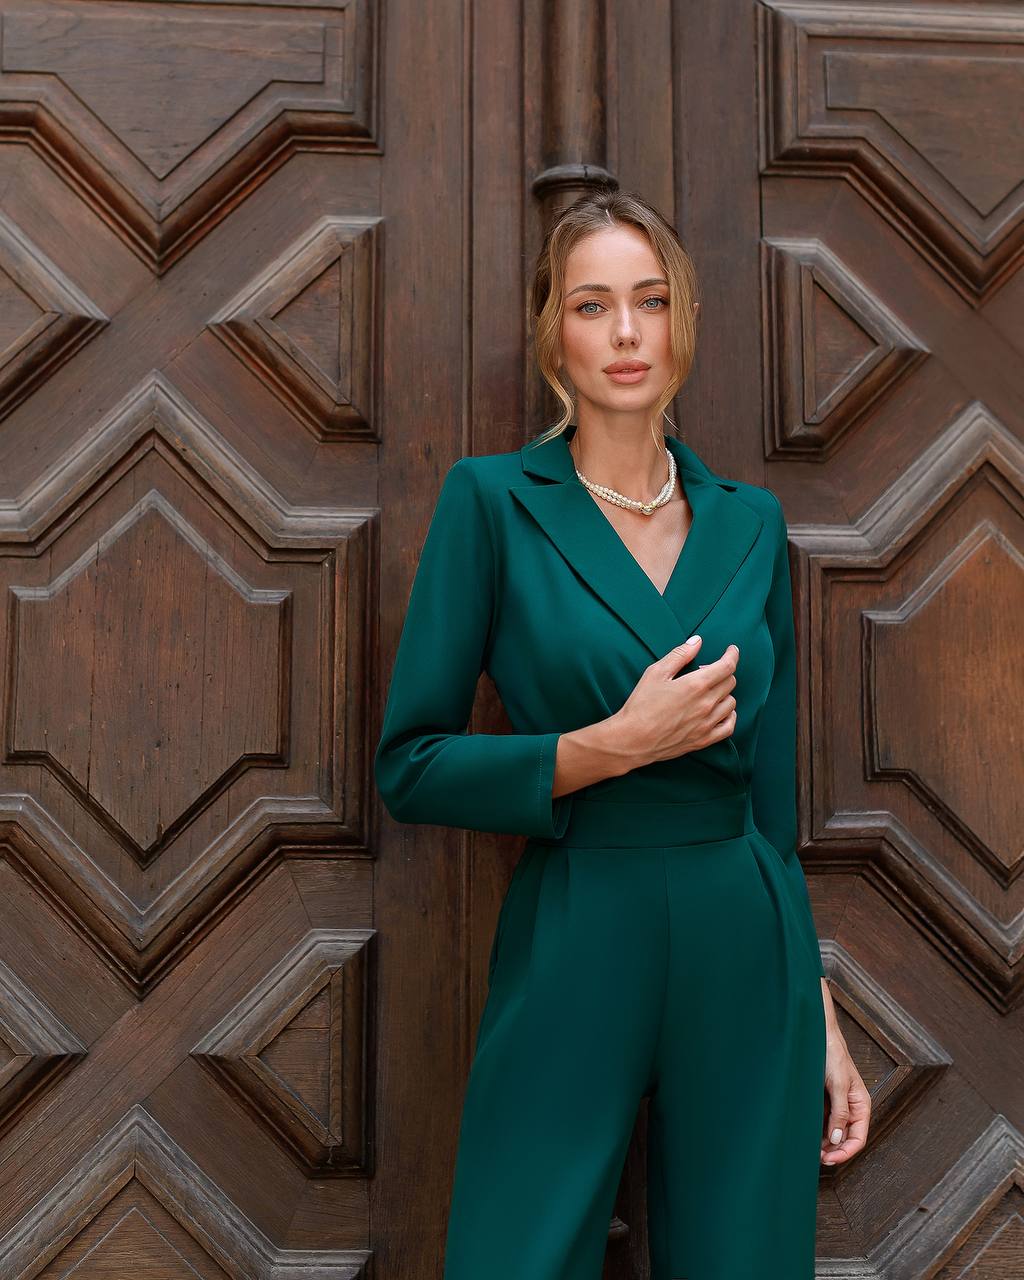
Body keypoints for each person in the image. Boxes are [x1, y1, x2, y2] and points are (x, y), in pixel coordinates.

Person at [374, 187, 871, 1279]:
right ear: (553, 330)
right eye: (592, 305)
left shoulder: (749, 521)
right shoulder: (494, 503)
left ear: (685, 316)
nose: (627, 333)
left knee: (745, 1258)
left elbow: (773, 817)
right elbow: (409, 764)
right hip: (577, 916)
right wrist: (614, 744)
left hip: (743, 936)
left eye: (649, 301)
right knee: (519, 1250)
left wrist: (819, 1011)